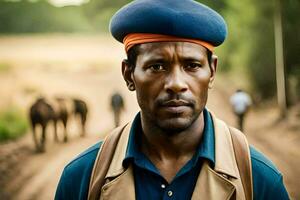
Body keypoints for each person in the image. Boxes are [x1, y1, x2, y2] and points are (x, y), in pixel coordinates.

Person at [55, 0, 289, 199]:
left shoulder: (259, 180)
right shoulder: (81, 180)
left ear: (212, 72)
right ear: (129, 75)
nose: (176, 83)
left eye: (192, 65)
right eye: (157, 66)